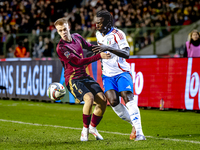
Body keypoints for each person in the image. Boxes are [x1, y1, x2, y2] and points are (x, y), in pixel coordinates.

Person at [54, 18, 111, 141]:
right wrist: (99, 56)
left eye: (64, 29)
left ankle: (93, 128)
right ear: (58, 32)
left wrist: (103, 48)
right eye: (60, 31)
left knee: (102, 100)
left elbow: (89, 47)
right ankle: (84, 131)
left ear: (68, 27)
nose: (63, 32)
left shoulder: (77, 37)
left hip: (84, 76)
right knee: (89, 98)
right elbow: (77, 62)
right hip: (73, 79)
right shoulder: (61, 48)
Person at [92, 10, 146, 141]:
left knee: (128, 98)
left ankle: (139, 133)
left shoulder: (118, 34)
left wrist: (108, 48)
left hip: (121, 72)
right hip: (107, 75)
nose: (97, 25)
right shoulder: (98, 34)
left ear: (107, 22)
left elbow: (127, 54)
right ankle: (134, 124)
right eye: (96, 23)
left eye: (99, 23)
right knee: (114, 102)